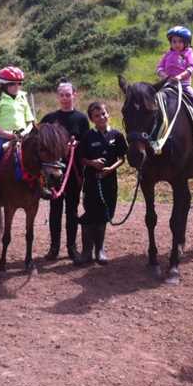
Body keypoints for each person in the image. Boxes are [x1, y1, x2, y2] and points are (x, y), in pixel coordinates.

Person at [40, 81, 90, 261]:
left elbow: (87, 143)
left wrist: (78, 145)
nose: (65, 98)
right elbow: (41, 144)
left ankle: (71, 247)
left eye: (68, 94)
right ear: (57, 97)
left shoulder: (82, 119)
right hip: (54, 173)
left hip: (74, 171)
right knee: (55, 208)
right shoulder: (49, 119)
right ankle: (54, 247)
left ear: (74, 95)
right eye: (62, 95)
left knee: (72, 209)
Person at [76, 102, 127, 266]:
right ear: (92, 119)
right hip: (91, 181)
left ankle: (100, 250)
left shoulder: (117, 135)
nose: (101, 117)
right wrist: (93, 163)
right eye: (97, 116)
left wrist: (110, 169)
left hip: (110, 182)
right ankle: (86, 252)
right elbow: (81, 158)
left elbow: (122, 158)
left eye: (103, 114)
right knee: (90, 215)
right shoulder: (87, 136)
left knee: (104, 216)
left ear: (108, 114)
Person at [0, 65, 35, 159]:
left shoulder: (23, 98)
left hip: (24, 138)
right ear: (4, 85)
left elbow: (30, 122)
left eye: (19, 83)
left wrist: (24, 133)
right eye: (12, 84)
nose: (16, 87)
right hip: (3, 139)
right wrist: (10, 135)